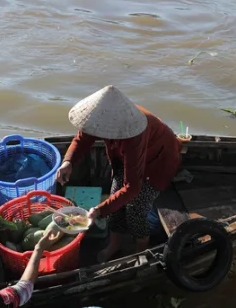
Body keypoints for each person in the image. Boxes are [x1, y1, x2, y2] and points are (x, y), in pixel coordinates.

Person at [56, 85, 182, 262]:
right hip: (128, 159)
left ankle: (140, 252)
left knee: (136, 208)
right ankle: (115, 245)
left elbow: (132, 187)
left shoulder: (133, 132)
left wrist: (98, 210)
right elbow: (82, 139)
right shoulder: (100, 117)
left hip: (158, 162)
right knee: (115, 201)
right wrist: (68, 162)